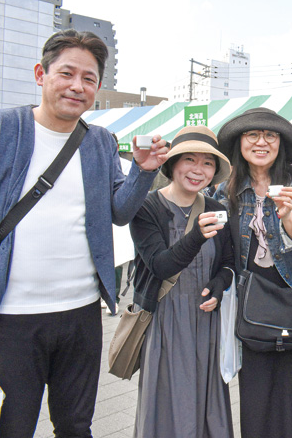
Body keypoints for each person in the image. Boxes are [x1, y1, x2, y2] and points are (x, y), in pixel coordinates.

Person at [0, 29, 167, 437]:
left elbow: (118, 212)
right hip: (11, 315)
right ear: (41, 74)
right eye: (67, 73)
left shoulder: (99, 140)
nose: (77, 86)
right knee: (10, 426)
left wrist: (144, 171)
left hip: (81, 312)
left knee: (77, 425)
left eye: (89, 79)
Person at [213, 107, 292, 438]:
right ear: (240, 143)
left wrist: (288, 216)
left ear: (281, 144)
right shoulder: (224, 190)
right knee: (256, 395)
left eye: (270, 136)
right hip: (251, 299)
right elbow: (221, 249)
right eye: (252, 135)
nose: (261, 142)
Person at [130, 126, 235, 437]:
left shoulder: (217, 209)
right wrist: (197, 236)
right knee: (165, 402)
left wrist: (221, 284)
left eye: (207, 163)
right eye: (189, 159)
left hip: (205, 322)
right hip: (165, 322)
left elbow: (228, 264)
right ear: (172, 164)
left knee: (206, 406)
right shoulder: (147, 208)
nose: (197, 170)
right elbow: (161, 266)